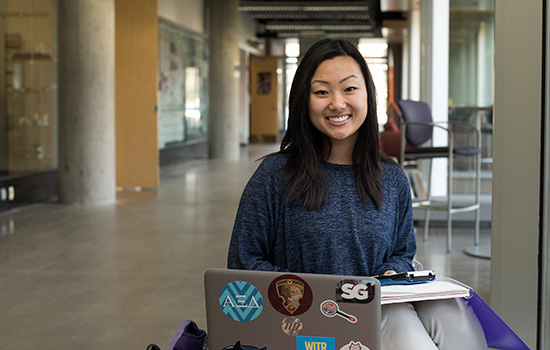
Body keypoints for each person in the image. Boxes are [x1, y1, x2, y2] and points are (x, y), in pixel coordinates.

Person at [227, 39, 486, 350]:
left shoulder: (391, 177)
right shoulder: (274, 176)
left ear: (368, 94)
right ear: (303, 101)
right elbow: (243, 262)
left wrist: (391, 272)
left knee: (457, 320)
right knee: (403, 327)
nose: (337, 103)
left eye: (349, 89)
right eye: (322, 92)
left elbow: (403, 252)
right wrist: (313, 291)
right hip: (309, 322)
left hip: (377, 301)